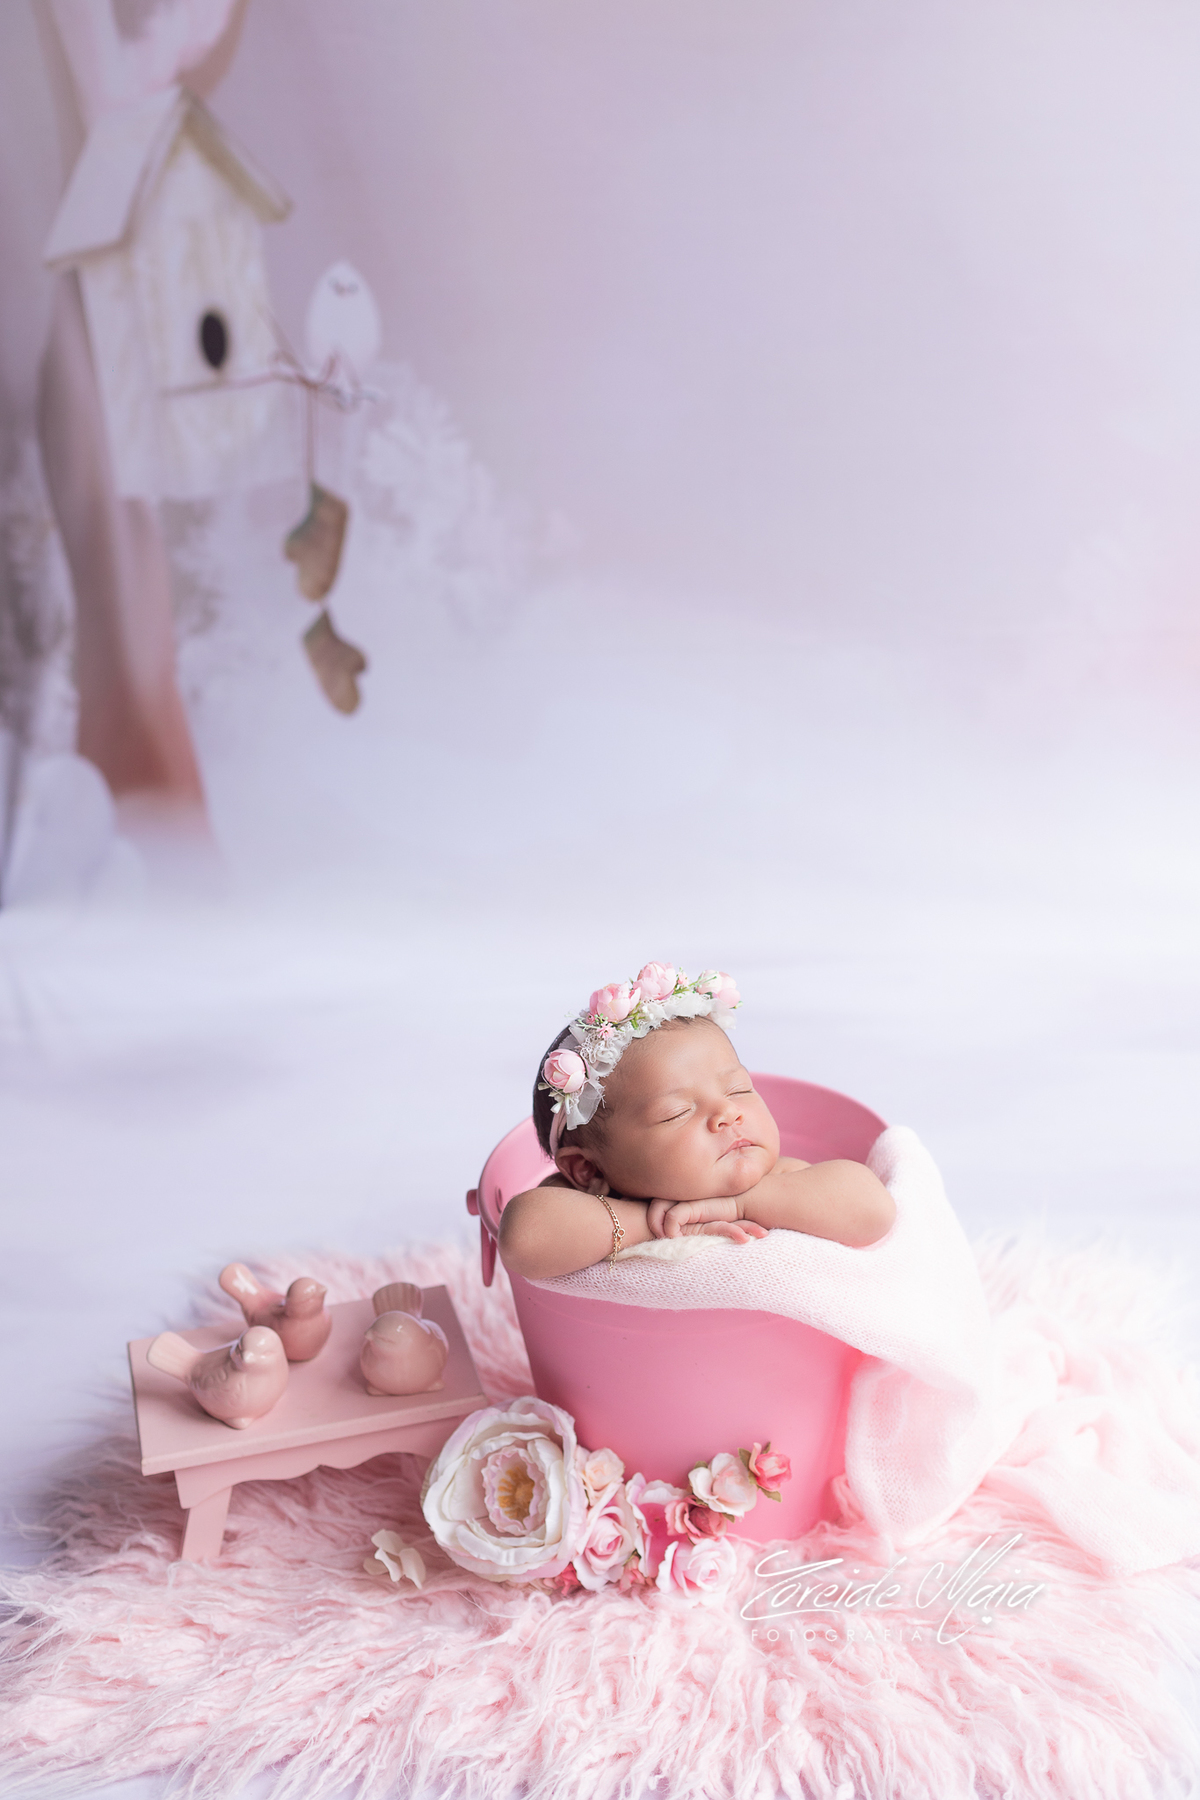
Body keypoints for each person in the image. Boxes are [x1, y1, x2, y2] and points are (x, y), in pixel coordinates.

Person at [498, 963, 896, 1281]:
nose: (728, 1113)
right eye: (677, 1112)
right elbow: (524, 1240)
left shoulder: (781, 1179)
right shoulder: (588, 1208)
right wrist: (654, 1222)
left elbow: (873, 1210)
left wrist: (738, 1205)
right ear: (589, 1171)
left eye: (738, 1089)